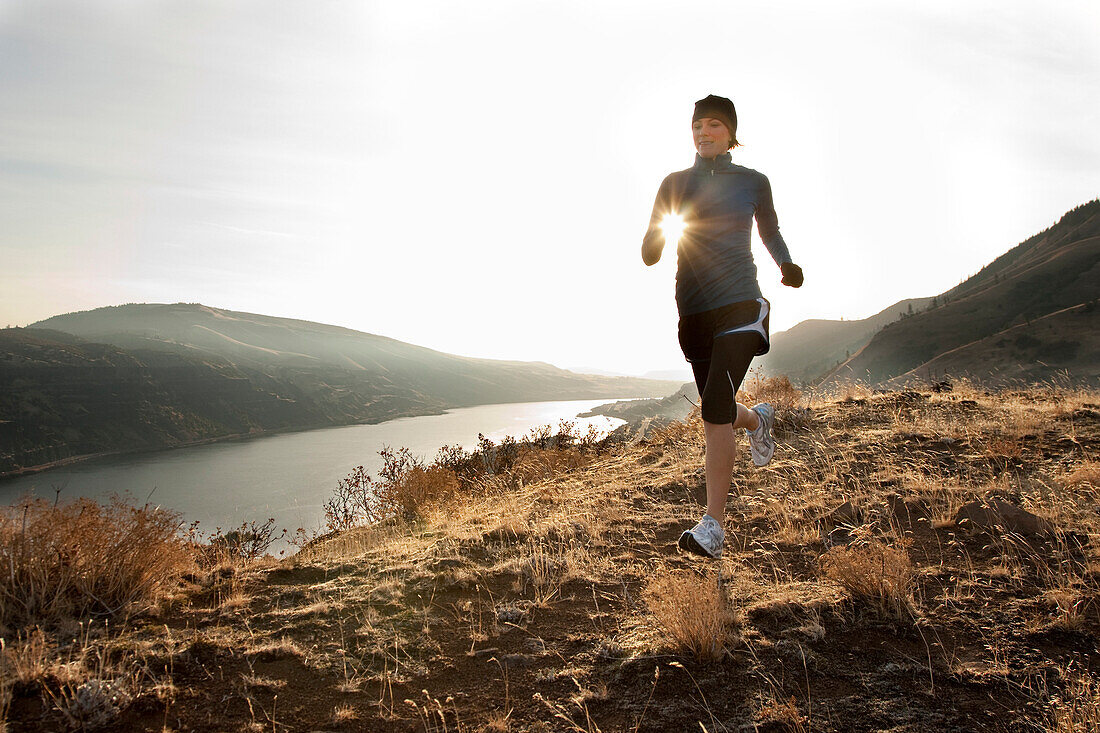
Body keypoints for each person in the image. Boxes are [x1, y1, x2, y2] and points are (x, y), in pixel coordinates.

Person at [641, 94, 804, 559]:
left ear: (731, 133)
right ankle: (757, 419)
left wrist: (786, 263)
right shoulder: (674, 182)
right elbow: (655, 234)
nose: (703, 132)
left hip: (740, 305)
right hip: (693, 314)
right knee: (721, 408)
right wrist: (651, 243)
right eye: (697, 125)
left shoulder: (752, 181)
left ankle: (713, 525)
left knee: (713, 406)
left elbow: (769, 230)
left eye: (714, 125)